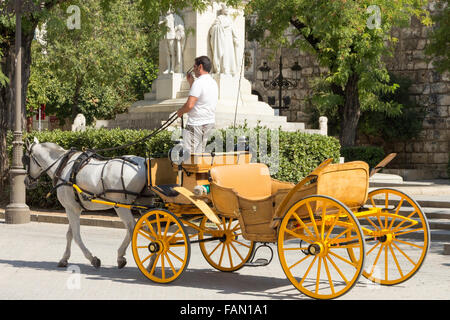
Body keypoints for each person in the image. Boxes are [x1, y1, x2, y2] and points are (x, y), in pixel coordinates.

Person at [177, 56, 218, 154]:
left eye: (194, 67)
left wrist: (180, 112)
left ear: (200, 67)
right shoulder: (213, 83)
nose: (193, 70)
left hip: (196, 125)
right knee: (200, 156)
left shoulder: (199, 83)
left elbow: (189, 105)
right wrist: (191, 83)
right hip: (209, 123)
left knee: (189, 158)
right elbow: (201, 99)